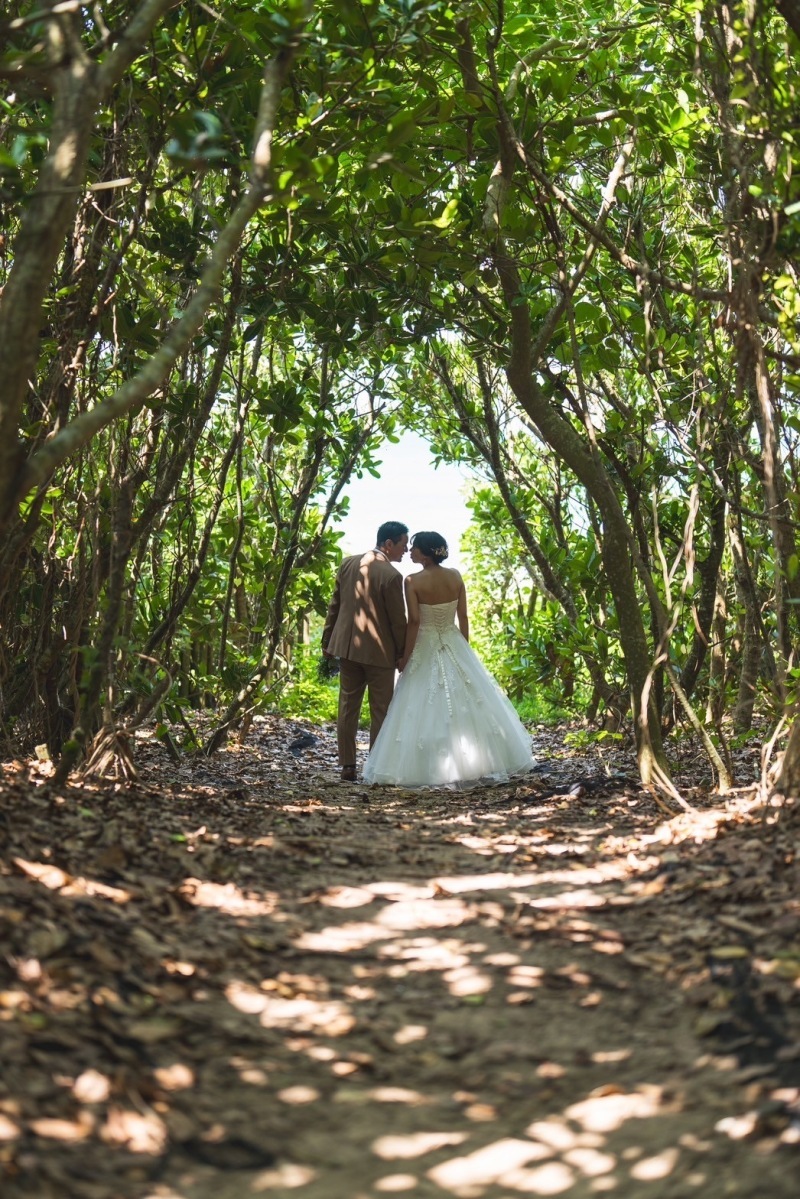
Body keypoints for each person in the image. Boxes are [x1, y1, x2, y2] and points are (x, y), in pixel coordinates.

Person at [363, 531, 533, 789]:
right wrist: (464, 649)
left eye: (415, 548)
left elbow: (415, 622)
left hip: (426, 643)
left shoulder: (412, 581)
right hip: (454, 640)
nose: (410, 552)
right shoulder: (455, 576)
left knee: (422, 705)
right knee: (467, 702)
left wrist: (405, 657)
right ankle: (477, 762)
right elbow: (463, 617)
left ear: (427, 553)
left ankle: (425, 767)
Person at [322, 521, 409, 780]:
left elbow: (334, 605)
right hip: (379, 654)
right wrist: (402, 653)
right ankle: (375, 768)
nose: (405, 551)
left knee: (348, 705)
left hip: (347, 648)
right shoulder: (392, 575)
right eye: (403, 545)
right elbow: (397, 621)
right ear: (389, 544)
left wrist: (327, 640)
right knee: (380, 709)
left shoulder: (348, 563)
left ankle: (347, 766)